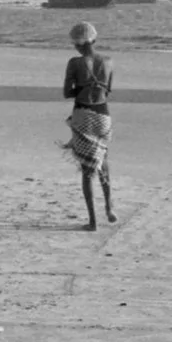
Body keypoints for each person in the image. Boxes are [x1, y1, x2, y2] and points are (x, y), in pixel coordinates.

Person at [61, 22, 116, 230]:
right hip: (102, 114)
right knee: (104, 158)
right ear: (94, 39)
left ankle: (93, 221)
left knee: (86, 169)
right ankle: (109, 207)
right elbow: (108, 90)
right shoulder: (108, 61)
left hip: (83, 113)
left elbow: (67, 92)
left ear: (76, 43)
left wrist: (81, 88)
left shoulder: (74, 63)